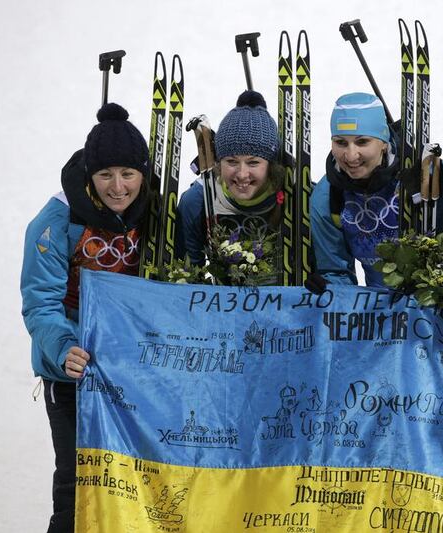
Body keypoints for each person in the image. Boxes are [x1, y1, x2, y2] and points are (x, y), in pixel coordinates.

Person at [20, 102, 150, 532]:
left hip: (131, 371)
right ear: (90, 175)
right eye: (105, 175)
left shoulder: (153, 208)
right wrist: (63, 348)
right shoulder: (56, 219)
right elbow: (40, 301)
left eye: (128, 174)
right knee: (78, 490)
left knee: (137, 485)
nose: (118, 187)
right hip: (73, 373)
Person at [310, 92, 443, 288]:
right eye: (340, 142)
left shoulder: (429, 176)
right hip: (377, 310)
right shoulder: (327, 195)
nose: (351, 156)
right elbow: (335, 270)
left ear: (384, 143)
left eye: (362, 142)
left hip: (431, 305)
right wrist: (331, 291)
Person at [177, 90, 283, 269]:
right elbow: (188, 272)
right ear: (219, 163)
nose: (242, 174)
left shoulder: (298, 196)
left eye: (253, 162)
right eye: (232, 161)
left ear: (271, 165)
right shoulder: (197, 201)